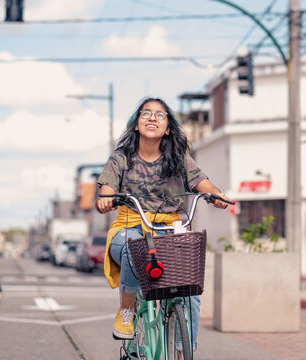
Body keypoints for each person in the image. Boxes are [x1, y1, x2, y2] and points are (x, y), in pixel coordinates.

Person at [95, 97, 230, 348]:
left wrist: (216, 195)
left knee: (190, 293)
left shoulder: (179, 158)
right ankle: (126, 310)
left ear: (168, 127)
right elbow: (107, 188)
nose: (152, 118)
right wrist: (106, 198)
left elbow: (204, 184)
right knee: (135, 245)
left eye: (160, 115)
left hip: (168, 232)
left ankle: (181, 351)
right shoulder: (121, 158)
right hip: (129, 229)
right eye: (146, 114)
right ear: (136, 125)